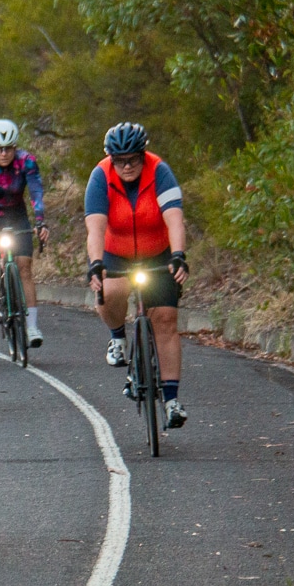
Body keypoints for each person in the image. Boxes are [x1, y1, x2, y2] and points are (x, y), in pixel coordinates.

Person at [85, 121, 190, 428]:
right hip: (115, 251)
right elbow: (95, 228)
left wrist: (178, 256)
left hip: (157, 251)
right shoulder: (100, 176)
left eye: (133, 159)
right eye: (120, 161)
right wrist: (95, 263)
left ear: (143, 155)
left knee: (165, 321)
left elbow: (174, 220)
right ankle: (117, 336)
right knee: (111, 292)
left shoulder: (160, 171)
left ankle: (171, 400)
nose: (127, 166)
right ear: (111, 159)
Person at [0, 120, 51, 348]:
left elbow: (36, 192)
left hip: (16, 215)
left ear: (15, 147)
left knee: (24, 267)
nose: (4, 154)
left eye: (9, 148)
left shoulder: (26, 161)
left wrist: (40, 221)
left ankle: (32, 326)